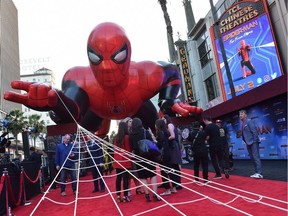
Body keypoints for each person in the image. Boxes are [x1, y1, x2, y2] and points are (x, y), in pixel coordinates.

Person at [4, 22, 203, 138]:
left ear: (128, 52)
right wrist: (54, 102)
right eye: (96, 58)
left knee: (158, 132)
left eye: (117, 57)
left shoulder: (146, 72)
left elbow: (172, 73)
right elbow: (73, 111)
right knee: (82, 136)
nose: (107, 67)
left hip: (137, 107)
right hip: (97, 111)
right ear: (88, 57)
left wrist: (167, 100)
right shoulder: (78, 77)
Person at [129, 117, 160, 202]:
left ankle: (147, 195)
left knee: (143, 177)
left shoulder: (131, 135)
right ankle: (155, 195)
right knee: (153, 174)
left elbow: (132, 147)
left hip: (138, 157)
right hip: (149, 156)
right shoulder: (145, 132)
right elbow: (151, 142)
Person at [123, 117, 144, 196]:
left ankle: (138, 188)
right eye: (130, 121)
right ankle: (128, 190)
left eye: (132, 121)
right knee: (128, 174)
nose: (131, 122)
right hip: (127, 156)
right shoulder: (124, 132)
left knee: (136, 173)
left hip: (134, 156)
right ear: (126, 123)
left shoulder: (133, 131)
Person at [239, 109, 263, 179]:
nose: (240, 115)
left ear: (245, 115)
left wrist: (254, 141)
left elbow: (254, 132)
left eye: (241, 114)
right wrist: (246, 142)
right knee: (252, 158)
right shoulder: (243, 123)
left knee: (256, 157)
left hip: (253, 142)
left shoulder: (249, 121)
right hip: (248, 143)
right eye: (239, 114)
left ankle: (260, 173)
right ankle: (256, 172)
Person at [152, 119, 173, 196]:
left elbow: (158, 145)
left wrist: (154, 139)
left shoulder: (160, 133)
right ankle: (173, 187)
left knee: (164, 172)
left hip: (163, 155)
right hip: (167, 153)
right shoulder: (166, 132)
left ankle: (167, 189)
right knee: (169, 171)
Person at [162, 114, 182, 191]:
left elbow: (172, 136)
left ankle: (177, 184)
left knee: (175, 165)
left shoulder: (169, 125)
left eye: (164, 119)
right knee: (175, 165)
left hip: (173, 146)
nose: (163, 121)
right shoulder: (170, 125)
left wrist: (166, 140)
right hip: (173, 146)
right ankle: (177, 184)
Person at [113, 122, 132, 202]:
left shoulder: (115, 138)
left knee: (118, 179)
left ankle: (118, 196)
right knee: (125, 179)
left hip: (117, 160)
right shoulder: (127, 137)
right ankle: (125, 196)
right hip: (125, 160)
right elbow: (129, 149)